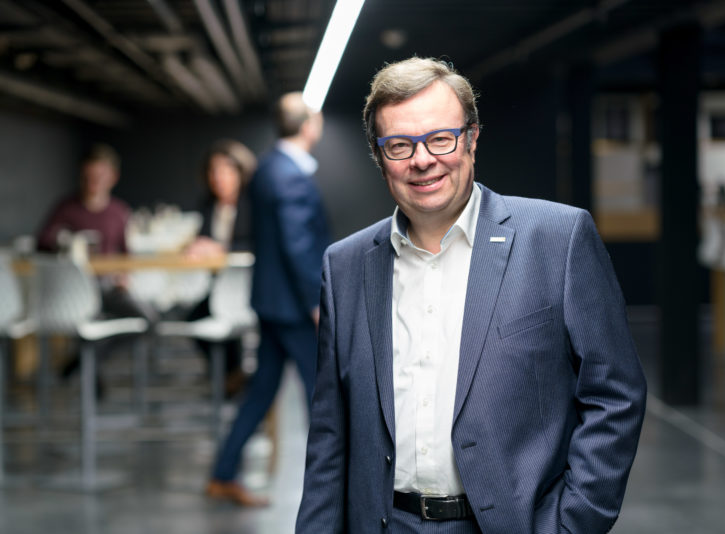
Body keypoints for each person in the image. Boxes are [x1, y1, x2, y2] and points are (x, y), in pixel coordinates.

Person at [296, 57, 646, 533]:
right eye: (399, 145)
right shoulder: (346, 266)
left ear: (472, 138)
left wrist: (573, 524)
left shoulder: (557, 239)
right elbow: (330, 437)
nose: (423, 160)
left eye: (441, 138)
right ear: (380, 159)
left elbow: (615, 396)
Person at [205, 92, 331, 506]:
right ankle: (334, 488)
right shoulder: (289, 174)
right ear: (309, 126)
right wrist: (317, 302)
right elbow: (297, 246)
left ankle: (223, 473)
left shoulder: (265, 169)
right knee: (324, 395)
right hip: (294, 306)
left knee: (262, 391)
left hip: (271, 302)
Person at [37, 143, 157, 384]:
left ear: (112, 177)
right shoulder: (67, 208)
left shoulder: (119, 211)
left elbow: (126, 253)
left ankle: (88, 357)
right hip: (73, 289)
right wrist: (67, 242)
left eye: (99, 176)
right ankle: (90, 361)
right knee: (91, 323)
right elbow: (42, 241)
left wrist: (125, 274)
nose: (93, 181)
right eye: (88, 176)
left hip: (107, 287)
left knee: (149, 320)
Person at [183, 139, 257, 396]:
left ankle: (232, 376)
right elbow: (204, 241)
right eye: (213, 171)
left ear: (240, 172)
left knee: (225, 318)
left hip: (249, 286)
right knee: (194, 318)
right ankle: (230, 374)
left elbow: (257, 243)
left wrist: (221, 250)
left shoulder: (253, 203)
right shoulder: (208, 205)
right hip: (220, 285)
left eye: (226, 170)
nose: (219, 178)